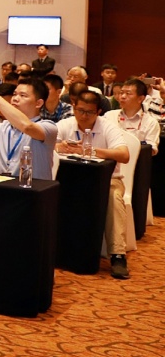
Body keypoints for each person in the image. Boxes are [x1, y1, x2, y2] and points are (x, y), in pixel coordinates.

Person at [54, 91, 132, 278]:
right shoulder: (64, 124)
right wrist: (58, 147)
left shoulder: (108, 127)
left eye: (89, 112)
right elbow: (45, 145)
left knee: (114, 197)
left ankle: (118, 255)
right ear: (73, 107)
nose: (83, 116)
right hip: (70, 179)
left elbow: (124, 155)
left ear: (98, 112)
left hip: (108, 180)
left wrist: (91, 150)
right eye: (80, 110)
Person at [105, 79, 160, 155]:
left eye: (128, 93)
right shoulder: (109, 116)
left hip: (136, 160)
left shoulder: (151, 122)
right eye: (121, 93)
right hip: (110, 159)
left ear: (140, 99)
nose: (122, 96)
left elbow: (150, 150)